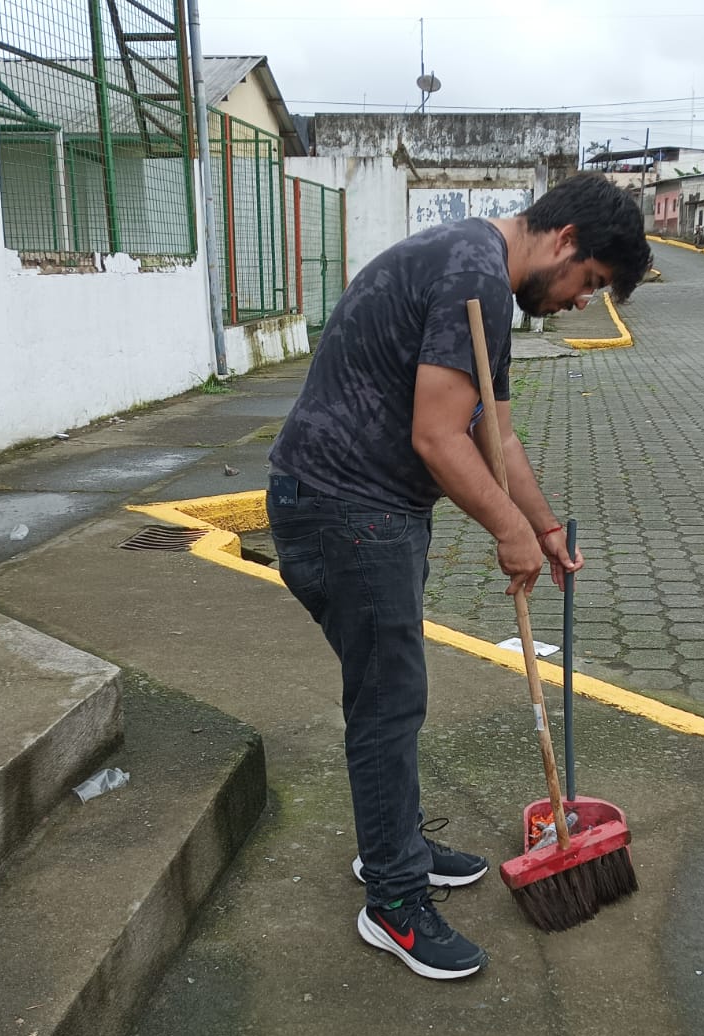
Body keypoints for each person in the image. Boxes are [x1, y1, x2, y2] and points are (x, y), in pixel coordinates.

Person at [265, 172, 651, 981]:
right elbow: (440, 437)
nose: (582, 301)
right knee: (387, 702)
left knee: (392, 693)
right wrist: (507, 532)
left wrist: (542, 527)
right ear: (566, 239)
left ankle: (394, 844)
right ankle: (393, 900)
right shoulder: (470, 271)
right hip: (345, 508)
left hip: (367, 508)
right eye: (589, 281)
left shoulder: (484, 281)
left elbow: (494, 435)